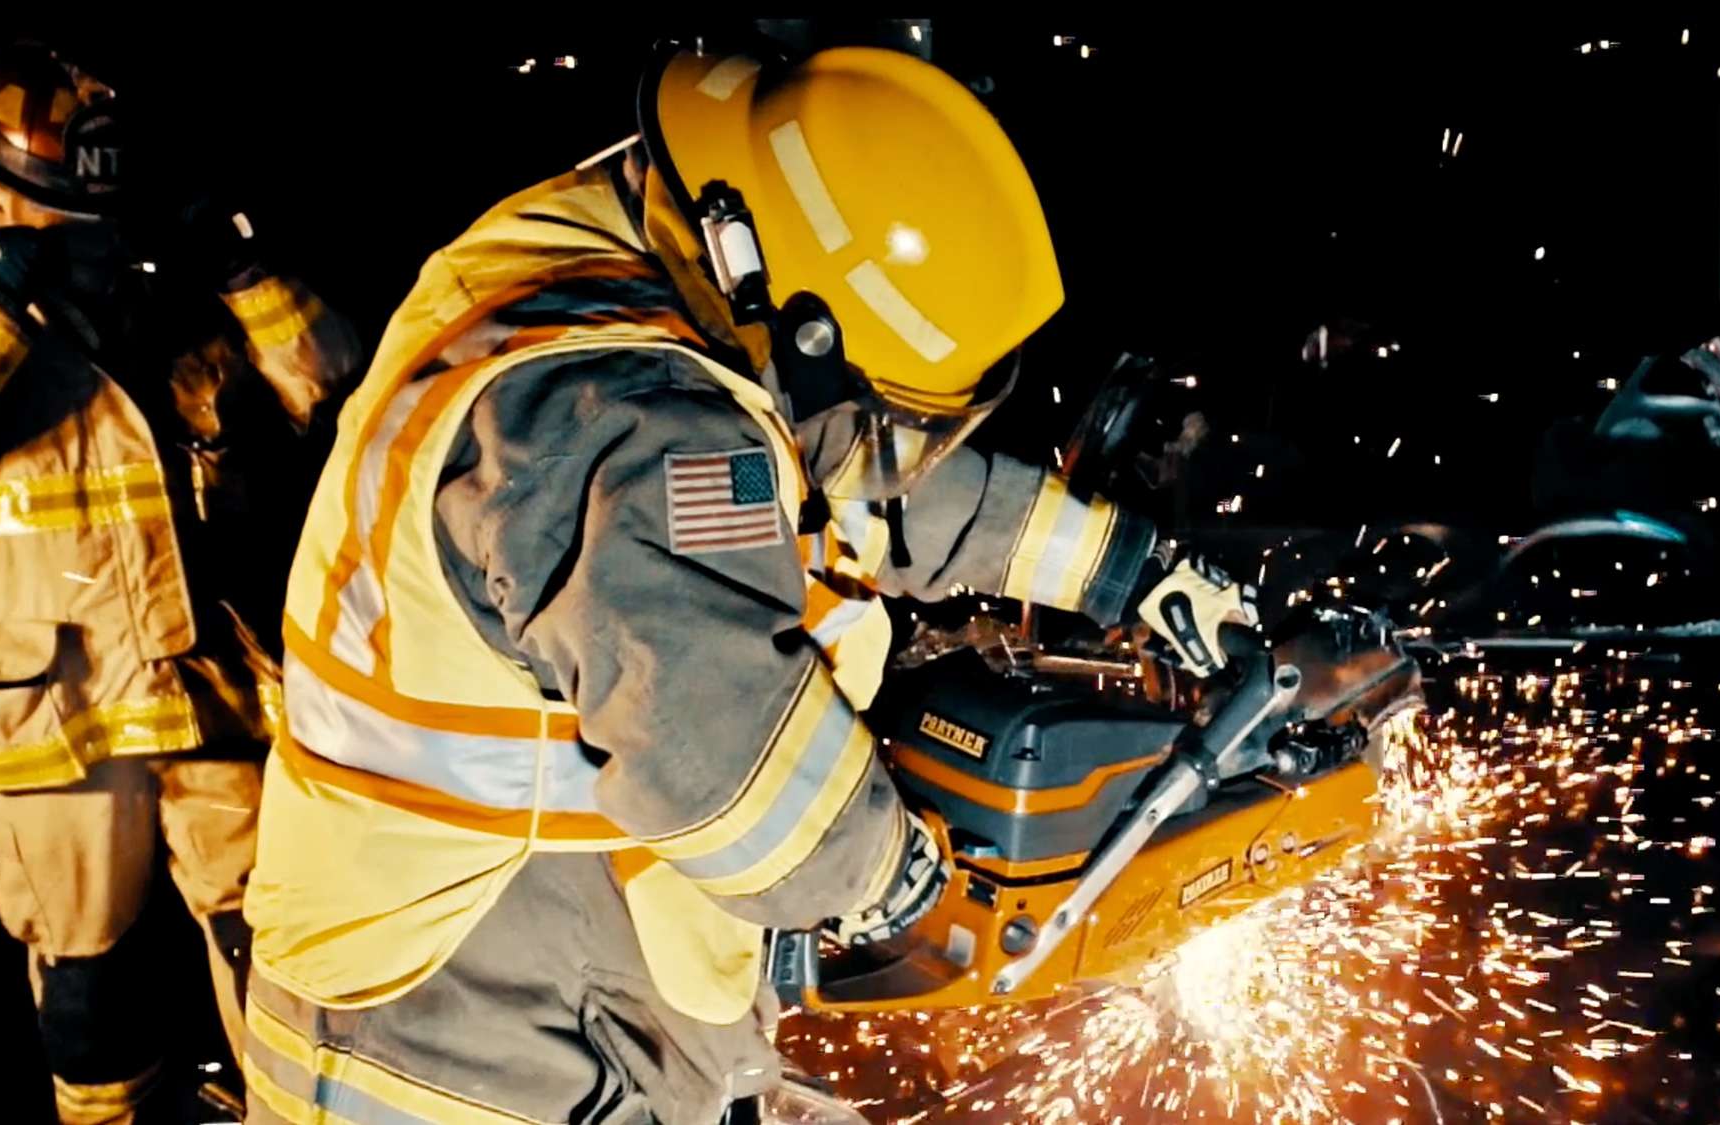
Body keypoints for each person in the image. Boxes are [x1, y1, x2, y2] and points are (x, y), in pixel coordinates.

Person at [240, 42, 1251, 1124]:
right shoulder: (629, 421)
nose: (881, 442)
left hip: (530, 988)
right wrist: (889, 877)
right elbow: (726, 770)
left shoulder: (615, 264)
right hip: (464, 1052)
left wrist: (1119, 567)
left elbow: (842, 470)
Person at [0, 44, 360, 1123]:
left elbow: (331, 381)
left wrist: (234, 263)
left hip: (198, 674)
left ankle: (293, 1109)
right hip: (56, 700)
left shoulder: (163, 301)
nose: (84, 234)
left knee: (277, 925)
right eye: (53, 208)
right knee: (90, 968)